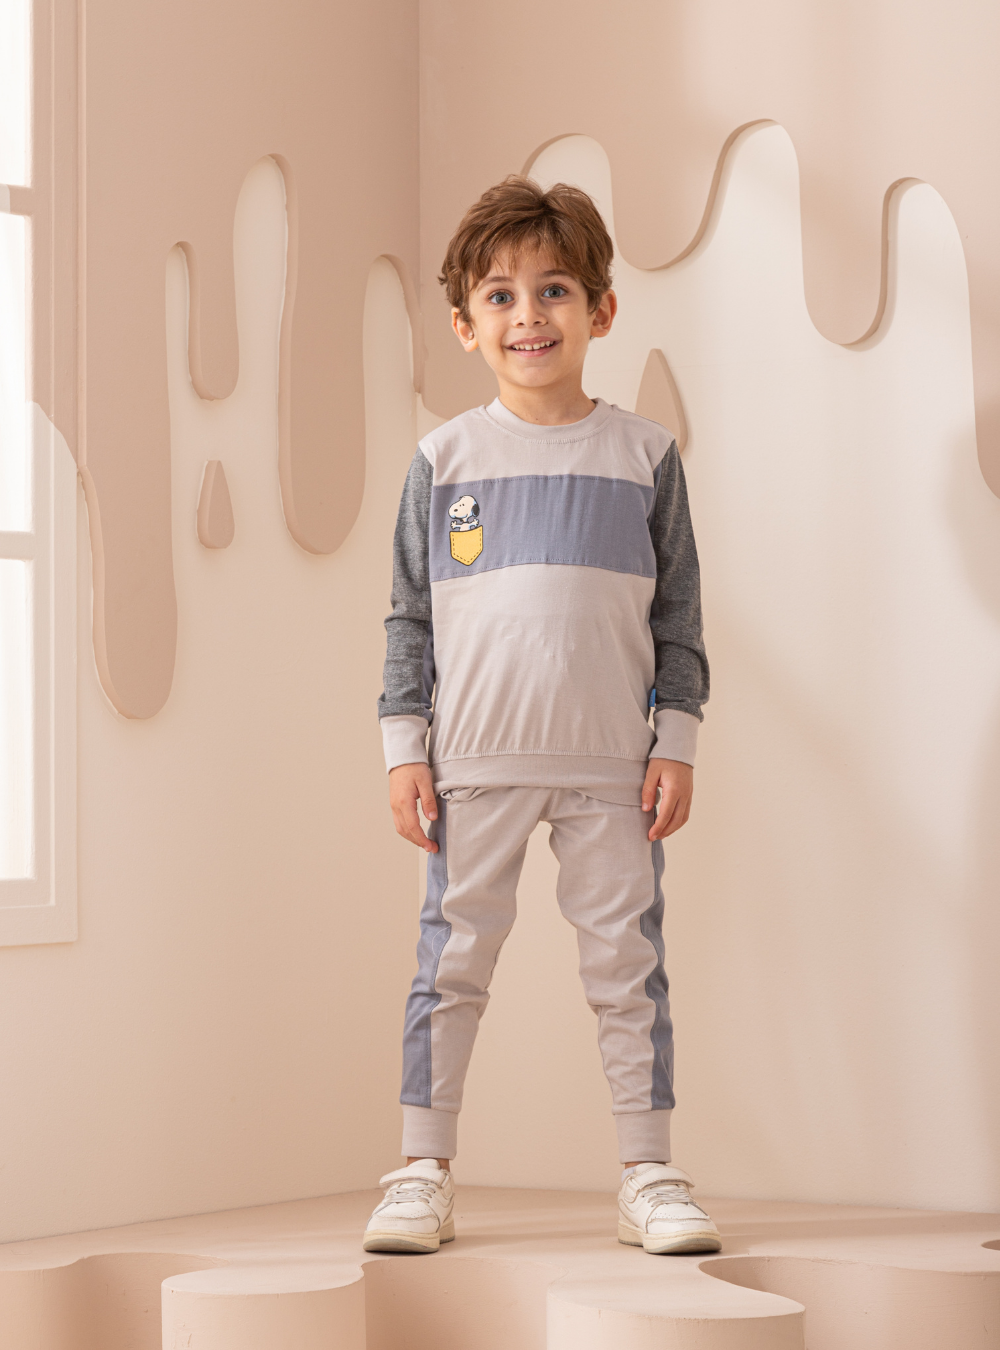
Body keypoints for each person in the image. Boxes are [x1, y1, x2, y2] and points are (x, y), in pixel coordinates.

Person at [363, 176, 720, 1257]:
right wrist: (404, 750)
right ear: (465, 325)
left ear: (600, 310)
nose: (530, 316)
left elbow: (679, 616)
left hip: (615, 767)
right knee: (452, 965)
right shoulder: (444, 461)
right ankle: (422, 1169)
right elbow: (409, 616)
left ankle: (647, 1172)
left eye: (555, 290)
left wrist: (677, 739)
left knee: (627, 968)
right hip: (471, 764)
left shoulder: (646, 457)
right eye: (502, 297)